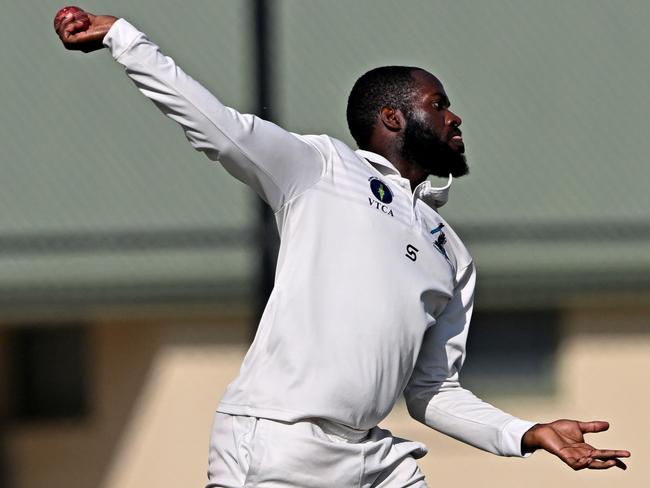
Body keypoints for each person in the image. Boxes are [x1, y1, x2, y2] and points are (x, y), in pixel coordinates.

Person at [55, 9, 630, 488]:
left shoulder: (450, 250)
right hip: (276, 443)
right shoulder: (320, 167)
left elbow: (433, 391)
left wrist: (524, 433)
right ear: (391, 117)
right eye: (438, 102)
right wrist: (123, 39)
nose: (455, 117)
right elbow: (216, 125)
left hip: (372, 461)